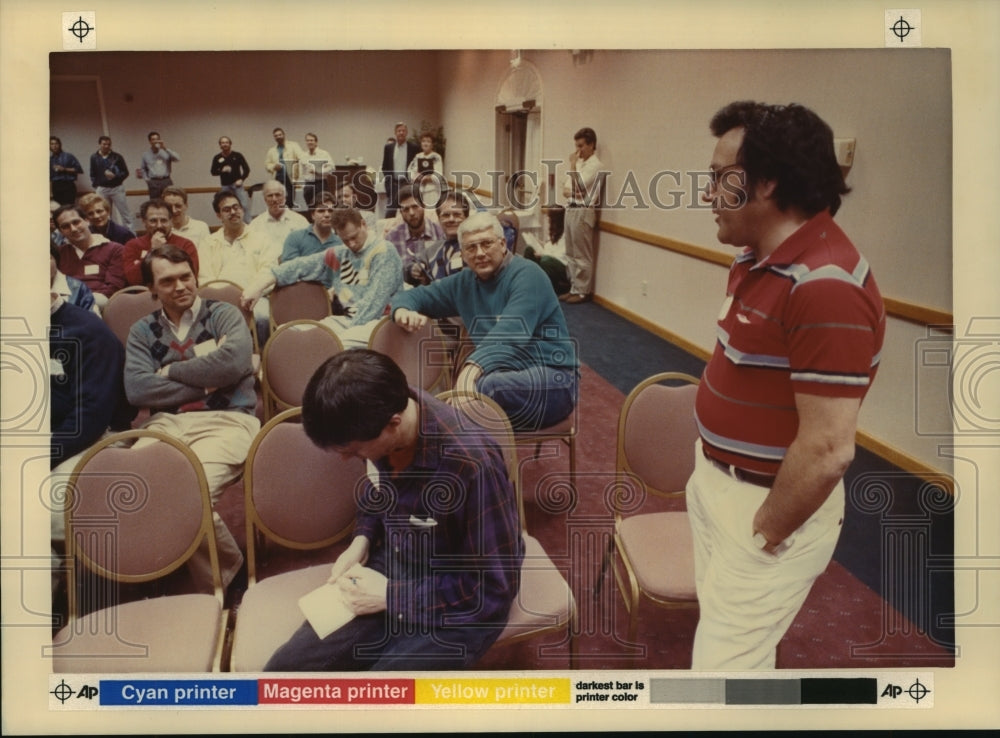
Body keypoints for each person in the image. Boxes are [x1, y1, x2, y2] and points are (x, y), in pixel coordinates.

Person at [687, 100, 886, 670]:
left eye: (720, 179)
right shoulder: (755, 259)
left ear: (766, 182)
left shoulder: (825, 286)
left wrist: (765, 534)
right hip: (718, 483)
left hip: (763, 508)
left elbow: (827, 450)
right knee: (741, 658)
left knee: (721, 680)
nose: (707, 195)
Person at [264, 348, 523, 671]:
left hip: (460, 597)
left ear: (394, 424)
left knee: (380, 701)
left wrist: (391, 596)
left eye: (354, 450)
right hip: (396, 564)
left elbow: (493, 589)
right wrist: (363, 539)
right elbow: (380, 494)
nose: (348, 459)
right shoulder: (381, 416)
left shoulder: (472, 464)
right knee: (284, 673)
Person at [124, 244, 260, 591]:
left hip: (227, 420)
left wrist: (169, 371)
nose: (181, 286)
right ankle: (160, 567)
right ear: (153, 289)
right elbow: (138, 389)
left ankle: (227, 578)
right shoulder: (142, 330)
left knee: (190, 495)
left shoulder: (223, 314)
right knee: (139, 488)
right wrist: (205, 386)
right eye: (167, 281)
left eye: (186, 276)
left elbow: (234, 363)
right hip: (164, 425)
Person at [391, 211, 578, 432]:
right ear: (463, 253)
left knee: (484, 391)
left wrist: (469, 372)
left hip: (555, 382)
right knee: (476, 402)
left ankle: (449, 441)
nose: (479, 253)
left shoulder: (529, 275)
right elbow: (414, 296)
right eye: (471, 247)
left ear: (503, 244)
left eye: (486, 244)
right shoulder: (464, 282)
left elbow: (509, 334)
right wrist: (402, 310)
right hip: (501, 382)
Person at [241, 207, 402, 349]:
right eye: (345, 240)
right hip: (349, 320)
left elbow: (373, 306)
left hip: (381, 322)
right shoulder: (341, 253)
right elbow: (300, 265)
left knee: (329, 345)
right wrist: (259, 285)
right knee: (289, 333)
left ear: (363, 225)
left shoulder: (384, 251)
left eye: (354, 237)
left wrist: (329, 338)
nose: (351, 244)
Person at [200, 188, 280, 344]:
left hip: (254, 298)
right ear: (218, 216)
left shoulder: (261, 238)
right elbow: (205, 279)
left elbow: (269, 271)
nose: (233, 212)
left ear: (242, 210)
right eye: (226, 209)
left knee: (262, 317)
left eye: (236, 207)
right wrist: (224, 298)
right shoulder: (208, 243)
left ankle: (263, 359)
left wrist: (252, 292)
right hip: (219, 302)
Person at [560, 127, 606, 304]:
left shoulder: (596, 166)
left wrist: (572, 166)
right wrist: (574, 190)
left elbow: (578, 188)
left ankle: (582, 291)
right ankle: (573, 287)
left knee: (582, 254)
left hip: (583, 211)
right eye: (576, 146)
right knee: (570, 252)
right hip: (571, 208)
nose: (577, 151)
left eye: (581, 146)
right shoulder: (580, 165)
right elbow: (566, 189)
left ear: (591, 145)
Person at [52, 204, 126, 309]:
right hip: (66, 304)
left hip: (102, 303)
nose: (73, 229)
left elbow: (113, 287)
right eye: (65, 226)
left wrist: (84, 300)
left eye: (76, 222)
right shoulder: (59, 253)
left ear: (87, 221)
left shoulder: (115, 249)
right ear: (60, 231)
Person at [122, 199, 200, 286]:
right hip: (144, 296)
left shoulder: (185, 245)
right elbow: (133, 280)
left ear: (171, 221)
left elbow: (190, 278)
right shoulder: (132, 245)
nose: (159, 225)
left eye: (164, 220)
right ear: (144, 222)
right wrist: (153, 251)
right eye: (153, 221)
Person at [402, 189, 468, 286]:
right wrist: (413, 270)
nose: (451, 219)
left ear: (466, 217)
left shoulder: (476, 246)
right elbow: (407, 270)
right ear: (439, 219)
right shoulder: (433, 250)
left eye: (457, 214)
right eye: (445, 215)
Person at [384, 184, 445, 265]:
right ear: (401, 212)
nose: (411, 213)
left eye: (415, 207)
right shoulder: (392, 239)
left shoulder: (440, 234)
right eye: (406, 209)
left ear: (424, 206)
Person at [279, 199, 343, 273]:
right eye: (321, 211)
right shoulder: (295, 237)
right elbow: (287, 270)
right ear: (313, 215)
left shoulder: (340, 243)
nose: (327, 215)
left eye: (331, 211)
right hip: (301, 283)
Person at [248, 179, 310, 253]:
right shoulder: (255, 225)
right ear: (265, 199)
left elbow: (308, 248)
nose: (274, 199)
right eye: (270, 195)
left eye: (278, 195)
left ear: (284, 198)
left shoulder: (300, 221)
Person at [523, 205, 571, 297]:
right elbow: (550, 247)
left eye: (550, 218)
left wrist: (543, 254)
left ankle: (549, 288)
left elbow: (560, 255)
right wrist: (538, 243)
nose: (548, 220)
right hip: (548, 258)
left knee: (546, 260)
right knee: (529, 250)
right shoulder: (554, 231)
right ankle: (530, 283)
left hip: (561, 266)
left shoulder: (566, 234)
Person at [88, 135, 133, 230]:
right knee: (104, 214)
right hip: (102, 189)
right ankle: (107, 236)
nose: (106, 146)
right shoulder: (94, 157)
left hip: (116, 188)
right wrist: (96, 186)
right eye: (104, 144)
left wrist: (115, 176)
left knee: (125, 214)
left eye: (108, 144)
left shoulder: (117, 157)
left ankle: (132, 236)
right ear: (99, 144)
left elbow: (126, 172)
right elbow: (92, 173)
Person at [380, 122, 418, 217]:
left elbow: (417, 166)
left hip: (408, 184)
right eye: (399, 131)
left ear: (406, 133)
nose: (401, 133)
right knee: (390, 212)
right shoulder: (388, 148)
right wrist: (389, 182)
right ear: (395, 133)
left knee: (408, 210)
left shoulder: (414, 147)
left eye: (403, 131)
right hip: (394, 184)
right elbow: (385, 167)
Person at [211, 136, 252, 223]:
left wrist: (241, 179)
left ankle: (248, 224)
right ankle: (229, 224)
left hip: (237, 185)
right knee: (225, 206)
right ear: (220, 145)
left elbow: (247, 169)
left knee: (244, 205)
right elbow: (213, 171)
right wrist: (222, 170)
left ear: (230, 144)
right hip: (225, 186)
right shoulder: (217, 157)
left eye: (226, 142)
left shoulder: (237, 155)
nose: (224, 144)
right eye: (222, 143)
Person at [264, 127, 304, 210]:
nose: (278, 137)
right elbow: (267, 165)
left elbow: (302, 158)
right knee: (278, 202)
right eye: (276, 136)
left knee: (289, 202)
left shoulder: (293, 145)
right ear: (274, 137)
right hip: (278, 179)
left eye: (280, 135)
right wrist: (273, 166)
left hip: (290, 178)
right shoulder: (272, 150)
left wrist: (300, 177)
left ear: (284, 135)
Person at [138, 131, 180, 199]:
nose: (156, 141)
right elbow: (143, 169)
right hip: (153, 181)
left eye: (157, 139)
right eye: (153, 139)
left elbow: (177, 159)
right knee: (155, 203)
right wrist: (147, 180)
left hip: (166, 180)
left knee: (169, 201)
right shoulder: (145, 155)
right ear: (150, 141)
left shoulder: (165, 152)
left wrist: (165, 148)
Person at [407, 131, 444, 208]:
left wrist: (426, 178)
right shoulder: (418, 156)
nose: (425, 143)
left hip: (431, 191)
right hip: (418, 190)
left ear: (432, 144)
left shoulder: (436, 157)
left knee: (430, 214)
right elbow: (410, 170)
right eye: (423, 141)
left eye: (428, 141)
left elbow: (438, 175)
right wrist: (415, 177)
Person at [300, 132, 334, 208]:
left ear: (316, 142)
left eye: (311, 140)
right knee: (310, 207)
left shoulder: (324, 154)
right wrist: (303, 186)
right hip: (308, 185)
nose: (309, 142)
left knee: (323, 206)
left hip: (320, 184)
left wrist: (318, 171)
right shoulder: (303, 155)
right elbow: (301, 172)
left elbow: (332, 168)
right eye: (307, 140)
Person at [50, 136, 83, 206]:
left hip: (68, 185)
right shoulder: (50, 160)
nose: (54, 146)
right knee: (59, 209)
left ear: (60, 145)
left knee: (69, 208)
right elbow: (49, 178)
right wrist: (50, 192)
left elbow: (79, 169)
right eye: (52, 144)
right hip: (56, 186)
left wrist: (64, 169)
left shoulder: (68, 156)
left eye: (56, 144)